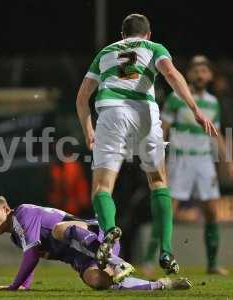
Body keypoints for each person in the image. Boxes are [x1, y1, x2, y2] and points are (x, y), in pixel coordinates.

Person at [76, 13, 218, 273]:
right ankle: (166, 251)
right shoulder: (154, 48)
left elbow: (81, 97)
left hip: (111, 113)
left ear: (122, 35)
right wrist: (195, 109)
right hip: (145, 113)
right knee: (158, 182)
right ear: (148, 34)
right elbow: (172, 75)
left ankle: (109, 232)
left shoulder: (105, 52)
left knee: (102, 187)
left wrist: (88, 129)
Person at [0, 194, 192, 292]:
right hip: (83, 255)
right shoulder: (17, 236)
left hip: (94, 235)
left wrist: (14, 287)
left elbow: (32, 255)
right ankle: (161, 285)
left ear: (6, 209)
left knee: (59, 228)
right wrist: (24, 286)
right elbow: (31, 256)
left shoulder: (23, 213)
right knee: (97, 282)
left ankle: (115, 262)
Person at [150, 55, 233, 275]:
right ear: (189, 74)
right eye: (196, 70)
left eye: (204, 70)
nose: (200, 74)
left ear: (209, 76)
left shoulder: (213, 102)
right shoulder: (176, 98)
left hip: (204, 161)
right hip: (180, 159)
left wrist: (229, 162)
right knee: (167, 210)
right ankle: (149, 259)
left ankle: (212, 264)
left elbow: (215, 134)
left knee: (211, 212)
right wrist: (156, 154)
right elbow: (164, 128)